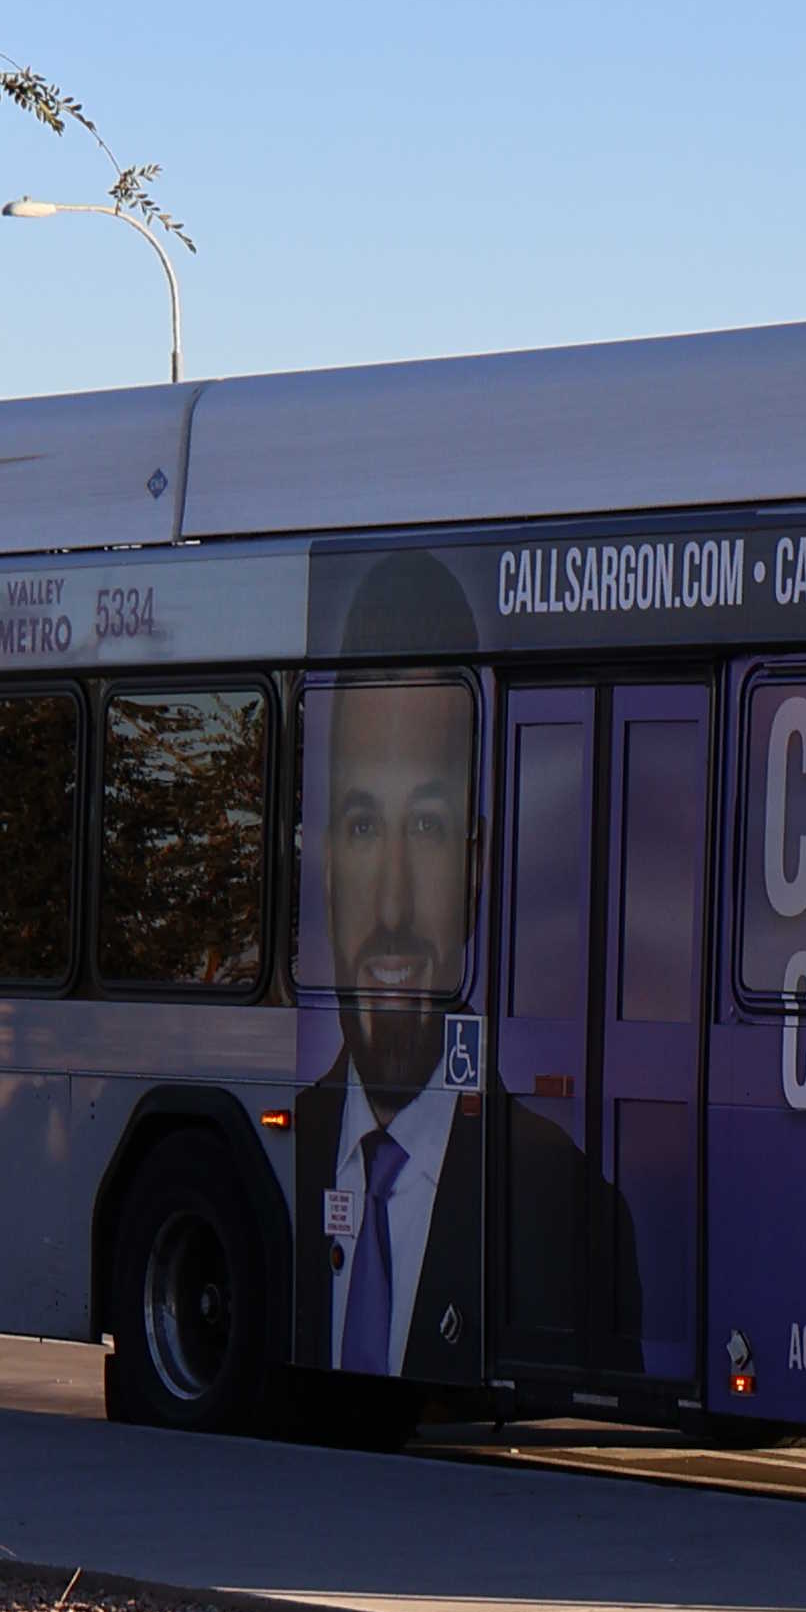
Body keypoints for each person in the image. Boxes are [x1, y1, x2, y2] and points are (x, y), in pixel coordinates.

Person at [297, 554, 488, 1380]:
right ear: (328, 865)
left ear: (475, 867)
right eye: (366, 828)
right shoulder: (288, 1154)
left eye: (429, 828)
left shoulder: (575, 1206)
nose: (394, 910)